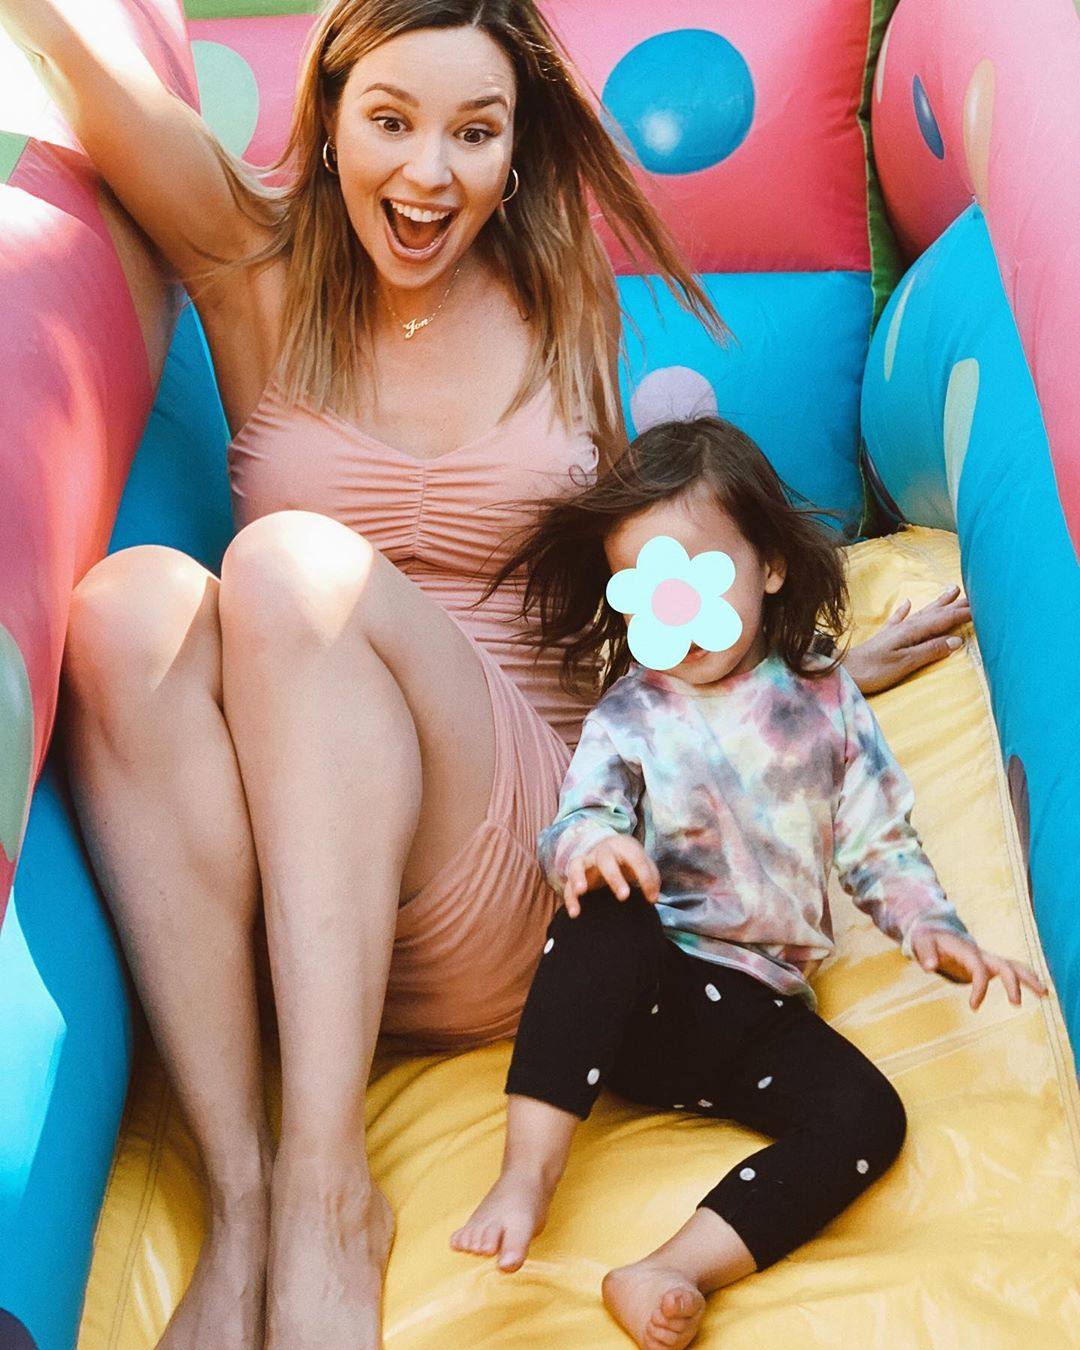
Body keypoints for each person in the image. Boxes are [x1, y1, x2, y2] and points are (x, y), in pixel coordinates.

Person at [0, 1, 973, 1345]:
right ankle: (243, 1201)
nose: (427, 174)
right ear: (328, 117)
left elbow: (620, 576)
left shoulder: (554, 292)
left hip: (501, 856)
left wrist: (792, 678)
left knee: (286, 562)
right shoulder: (253, 270)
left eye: (474, 130)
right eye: (390, 121)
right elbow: (90, 66)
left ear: (517, 149)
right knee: (125, 604)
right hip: (281, 886)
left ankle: (330, 1188)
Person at [451, 416, 1048, 1350]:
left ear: (768, 564)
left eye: (699, 577)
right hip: (644, 995)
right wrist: (596, 850)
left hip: (754, 1018)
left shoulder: (826, 705)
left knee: (868, 1119)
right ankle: (528, 1173)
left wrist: (933, 928)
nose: (678, 616)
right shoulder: (631, 712)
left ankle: (671, 1268)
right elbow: (579, 817)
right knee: (607, 910)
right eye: (650, 593)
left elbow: (878, 845)